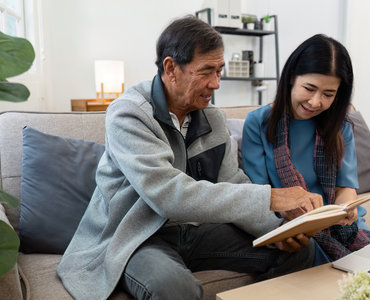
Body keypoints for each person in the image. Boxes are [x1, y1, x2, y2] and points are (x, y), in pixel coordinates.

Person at [56, 16, 330, 300]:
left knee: (299, 250)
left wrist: (278, 229)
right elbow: (169, 194)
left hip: (194, 232)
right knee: (176, 288)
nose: (216, 83)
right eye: (206, 71)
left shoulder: (213, 118)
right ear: (171, 68)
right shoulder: (129, 114)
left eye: (220, 71)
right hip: (137, 236)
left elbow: (233, 182)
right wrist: (272, 197)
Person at [241, 34, 370, 261]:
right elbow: (260, 196)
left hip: (340, 225)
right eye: (309, 88)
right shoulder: (259, 122)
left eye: (328, 94)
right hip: (294, 227)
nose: (316, 102)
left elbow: (345, 188)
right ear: (291, 78)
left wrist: (346, 208)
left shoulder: (340, 125)